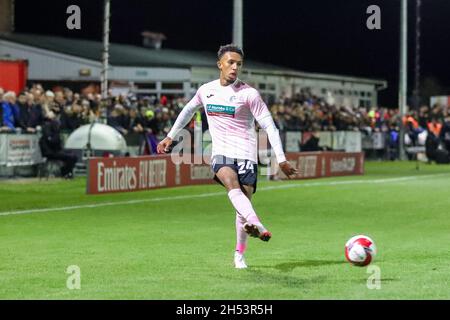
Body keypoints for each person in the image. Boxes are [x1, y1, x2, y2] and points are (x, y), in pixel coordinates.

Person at [157, 44, 297, 269]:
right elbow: (188, 111)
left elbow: (270, 126)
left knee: (242, 204)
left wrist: (280, 159)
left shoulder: (249, 94)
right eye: (230, 63)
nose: (234, 67)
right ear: (219, 64)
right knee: (230, 184)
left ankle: (239, 252)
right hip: (220, 152)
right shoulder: (206, 90)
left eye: (238, 64)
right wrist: (170, 137)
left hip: (246, 155)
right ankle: (256, 223)